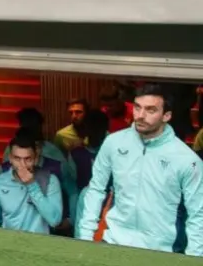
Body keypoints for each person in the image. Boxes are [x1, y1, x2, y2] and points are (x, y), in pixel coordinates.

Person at [76, 83, 203, 255]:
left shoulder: (187, 160)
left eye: (150, 110)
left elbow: (198, 214)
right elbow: (96, 189)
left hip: (161, 252)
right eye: (137, 107)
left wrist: (195, 259)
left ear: (166, 116)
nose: (141, 115)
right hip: (114, 242)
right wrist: (85, 237)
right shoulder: (113, 143)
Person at [0, 134, 63, 234]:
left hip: (38, 243)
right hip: (9, 242)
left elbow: (55, 220)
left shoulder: (50, 180)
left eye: (27, 159)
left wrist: (32, 184)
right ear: (10, 159)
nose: (22, 165)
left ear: (35, 159)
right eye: (17, 159)